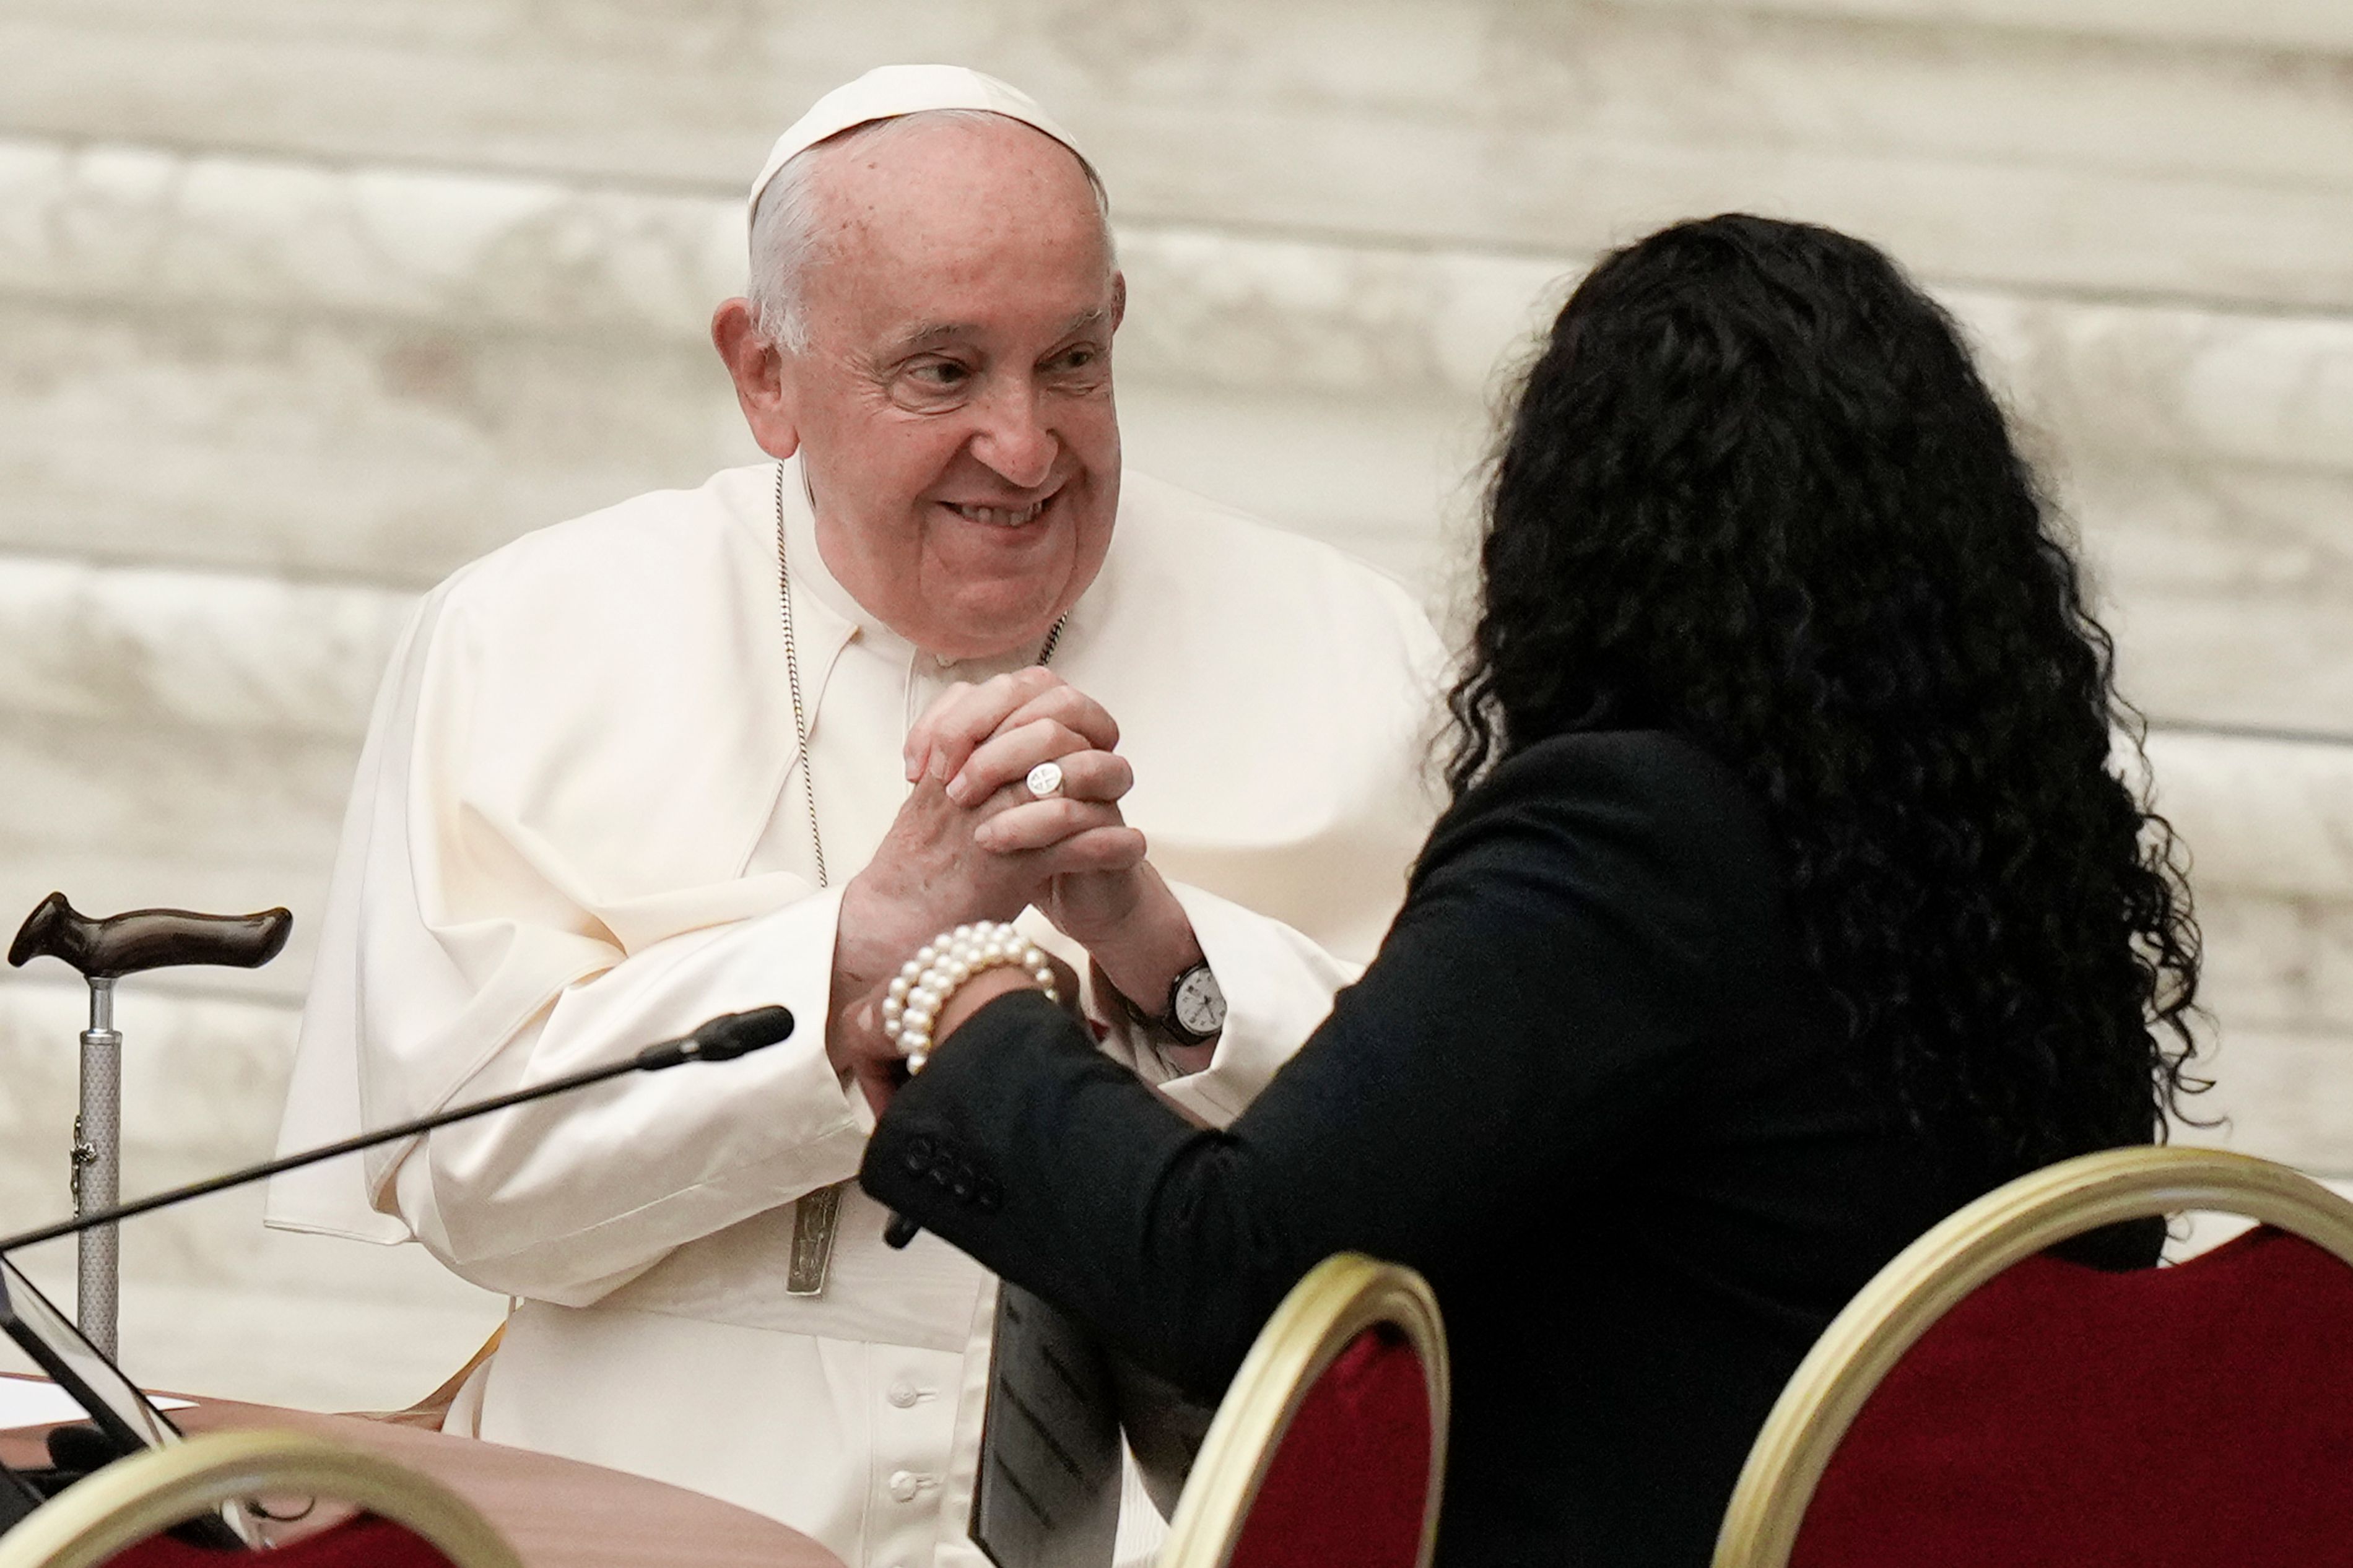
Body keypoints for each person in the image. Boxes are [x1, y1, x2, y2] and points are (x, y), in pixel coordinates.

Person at [856, 214, 2204, 1568]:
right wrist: (1158, 953)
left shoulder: (1629, 840)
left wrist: (959, 991)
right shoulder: (2004, 880)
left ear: (1586, 525)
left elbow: (1230, 1267)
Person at [264, 65, 1445, 1568]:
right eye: (943, 373)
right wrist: (854, 956)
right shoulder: (527, 636)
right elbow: (471, 1183)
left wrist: (1174, 970)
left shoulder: (1357, 651)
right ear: (765, 373)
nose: (1023, 449)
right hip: (644, 1538)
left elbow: (1438, 1179)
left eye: (1068, 362)